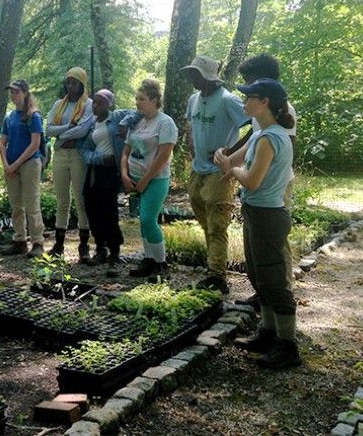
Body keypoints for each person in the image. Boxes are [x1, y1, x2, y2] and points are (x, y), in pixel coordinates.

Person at [215, 78, 300, 368]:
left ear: (264, 102)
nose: (244, 101)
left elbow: (251, 180)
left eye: (249, 97)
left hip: (268, 217)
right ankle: (267, 332)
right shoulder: (261, 133)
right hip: (256, 213)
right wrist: (226, 161)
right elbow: (236, 168)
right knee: (258, 275)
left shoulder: (270, 138)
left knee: (274, 281)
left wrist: (234, 169)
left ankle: (287, 346)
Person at [181, 55, 249, 294]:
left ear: (207, 76)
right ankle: (214, 268)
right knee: (205, 222)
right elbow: (191, 126)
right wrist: (191, 146)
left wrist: (231, 153)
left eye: (195, 74)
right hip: (197, 170)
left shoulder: (228, 100)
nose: (192, 79)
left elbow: (254, 126)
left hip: (219, 173)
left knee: (217, 226)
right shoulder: (193, 99)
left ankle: (217, 277)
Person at [122, 79, 178, 279]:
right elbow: (125, 151)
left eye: (142, 99)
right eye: (136, 98)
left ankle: (161, 264)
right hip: (135, 179)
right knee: (142, 221)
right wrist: (124, 174)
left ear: (154, 100)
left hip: (155, 179)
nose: (137, 102)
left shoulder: (165, 122)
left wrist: (145, 179)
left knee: (148, 218)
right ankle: (148, 259)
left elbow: (163, 156)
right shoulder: (136, 120)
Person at [78, 89, 140, 269]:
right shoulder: (89, 124)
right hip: (95, 171)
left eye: (100, 102)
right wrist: (98, 158)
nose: (95, 106)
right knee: (93, 209)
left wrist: (125, 125)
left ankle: (114, 251)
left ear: (109, 104)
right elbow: (83, 149)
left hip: (112, 171)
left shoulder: (119, 116)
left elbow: (139, 112)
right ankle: (100, 249)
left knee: (109, 210)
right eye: (94, 102)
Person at [45, 67, 94, 257]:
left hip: (77, 155)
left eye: (75, 83)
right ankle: (59, 245)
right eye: (68, 83)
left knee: (81, 200)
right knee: (62, 200)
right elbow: (48, 130)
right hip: (60, 155)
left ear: (82, 85)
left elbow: (82, 130)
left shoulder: (88, 105)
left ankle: (84, 246)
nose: (71, 87)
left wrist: (61, 135)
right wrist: (68, 128)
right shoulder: (59, 105)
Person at [0, 79, 45, 258]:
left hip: (29, 164)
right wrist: (6, 164)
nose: (13, 95)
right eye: (11, 92)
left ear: (25, 93)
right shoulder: (10, 116)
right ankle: (19, 240)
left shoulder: (33, 115)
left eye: (16, 92)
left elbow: (35, 144)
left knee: (32, 203)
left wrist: (16, 164)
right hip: (11, 165)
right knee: (16, 204)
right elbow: (3, 142)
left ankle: (38, 242)